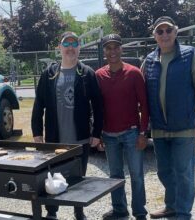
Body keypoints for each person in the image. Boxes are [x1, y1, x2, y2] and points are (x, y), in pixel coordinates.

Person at [31, 31, 103, 220]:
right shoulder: (49, 74)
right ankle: (52, 213)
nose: (70, 47)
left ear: (79, 48)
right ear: (59, 48)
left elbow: (98, 105)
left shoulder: (87, 73)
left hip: (80, 139)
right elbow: (39, 104)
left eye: (74, 43)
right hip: (55, 139)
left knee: (79, 178)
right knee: (51, 177)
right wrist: (37, 132)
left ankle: (79, 212)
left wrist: (96, 133)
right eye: (66, 43)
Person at [142, 16, 195, 220]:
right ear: (154, 36)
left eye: (168, 30)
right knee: (164, 172)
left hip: (183, 127)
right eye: (160, 31)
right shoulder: (149, 60)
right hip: (159, 128)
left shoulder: (190, 55)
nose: (164, 35)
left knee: (184, 173)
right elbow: (140, 94)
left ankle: (183, 213)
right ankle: (171, 206)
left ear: (176, 31)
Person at [95, 34, 149, 220]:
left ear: (122, 49)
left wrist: (143, 133)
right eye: (108, 48)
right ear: (104, 51)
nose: (112, 51)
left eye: (116, 47)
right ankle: (119, 210)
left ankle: (140, 212)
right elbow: (97, 107)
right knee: (115, 176)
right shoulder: (99, 75)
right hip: (109, 135)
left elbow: (145, 105)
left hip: (131, 132)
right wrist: (99, 132)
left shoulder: (134, 73)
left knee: (136, 175)